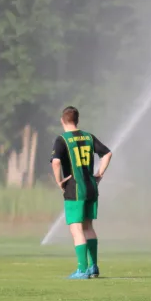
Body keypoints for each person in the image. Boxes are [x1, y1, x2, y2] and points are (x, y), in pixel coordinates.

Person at [51, 106, 112, 279]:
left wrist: (58, 180)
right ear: (77, 120)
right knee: (88, 227)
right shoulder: (89, 137)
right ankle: (93, 267)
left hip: (74, 189)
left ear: (62, 120)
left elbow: (55, 162)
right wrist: (99, 174)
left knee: (76, 229)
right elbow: (107, 154)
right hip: (91, 187)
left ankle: (82, 269)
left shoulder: (62, 139)